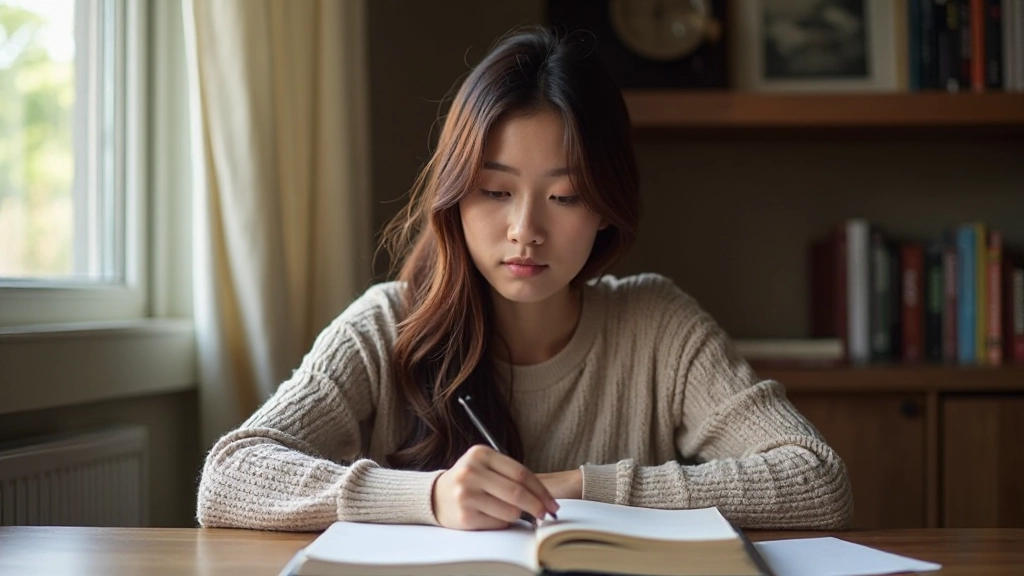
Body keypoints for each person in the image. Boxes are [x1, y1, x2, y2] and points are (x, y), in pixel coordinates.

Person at [196, 26, 853, 532]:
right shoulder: (389, 324)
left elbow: (818, 481)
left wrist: (573, 489)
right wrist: (428, 497)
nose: (525, 230)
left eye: (564, 197)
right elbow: (228, 478)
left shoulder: (658, 325)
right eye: (494, 191)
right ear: (456, 197)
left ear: (604, 209)